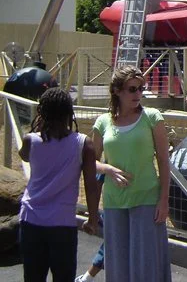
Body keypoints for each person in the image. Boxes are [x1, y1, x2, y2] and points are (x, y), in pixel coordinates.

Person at [93, 65, 171, 282]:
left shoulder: (152, 117)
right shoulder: (102, 122)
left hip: (146, 198)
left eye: (141, 89)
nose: (138, 94)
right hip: (114, 201)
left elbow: (164, 161)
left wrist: (164, 200)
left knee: (145, 265)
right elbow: (90, 161)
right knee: (117, 264)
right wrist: (107, 169)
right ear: (117, 91)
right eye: (132, 89)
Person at [18, 86, 100, 282]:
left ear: (42, 112)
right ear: (69, 113)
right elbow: (90, 184)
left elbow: (24, 156)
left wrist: (39, 127)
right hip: (62, 223)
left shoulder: (30, 140)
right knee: (64, 277)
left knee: (33, 277)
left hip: (31, 220)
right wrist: (93, 217)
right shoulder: (84, 144)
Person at [75, 174, 105, 282]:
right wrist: (93, 214)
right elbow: (99, 177)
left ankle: (87, 278)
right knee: (114, 242)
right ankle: (87, 278)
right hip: (116, 205)